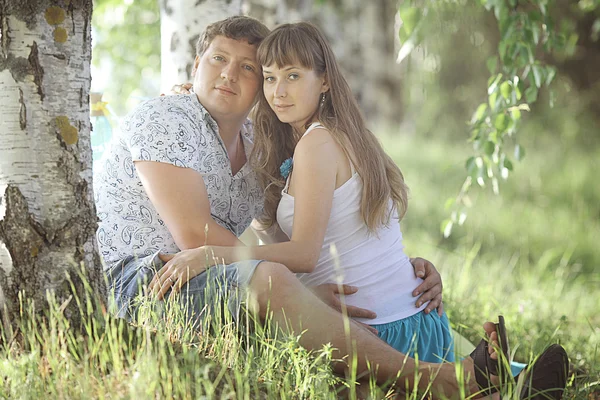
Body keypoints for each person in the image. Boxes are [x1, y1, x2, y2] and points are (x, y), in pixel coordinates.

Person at [94, 16, 565, 398]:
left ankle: (506, 379)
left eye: (249, 68)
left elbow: (274, 237)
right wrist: (296, 290)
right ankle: (445, 380)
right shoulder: (163, 119)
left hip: (205, 275)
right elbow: (199, 241)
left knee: (317, 293)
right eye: (218, 59)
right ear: (196, 64)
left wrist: (402, 265)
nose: (228, 74)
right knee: (276, 279)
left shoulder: (263, 142)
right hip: (142, 278)